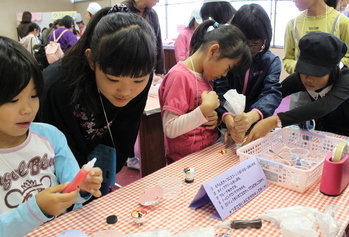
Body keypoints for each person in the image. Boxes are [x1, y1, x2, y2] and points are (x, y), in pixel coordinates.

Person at [38, 6, 157, 195]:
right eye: (113, 79)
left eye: (138, 80)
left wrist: (101, 177)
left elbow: (125, 132)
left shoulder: (141, 73)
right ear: (91, 60)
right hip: (52, 177)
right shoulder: (59, 85)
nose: (126, 91)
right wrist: (81, 186)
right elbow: (57, 152)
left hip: (94, 171)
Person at [0, 36, 103, 237]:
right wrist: (36, 210)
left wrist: (82, 186)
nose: (28, 109)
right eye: (14, 100)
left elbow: (72, 189)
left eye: (34, 95)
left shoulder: (50, 136)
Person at [159, 20, 251, 163]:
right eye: (227, 67)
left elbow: (195, 116)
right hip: (184, 162)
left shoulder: (206, 76)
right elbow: (170, 129)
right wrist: (204, 109)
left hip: (208, 152)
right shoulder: (179, 76)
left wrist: (214, 118)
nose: (225, 75)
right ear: (213, 50)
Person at [245, 32, 349, 144]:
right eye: (304, 71)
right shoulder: (301, 78)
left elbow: (323, 107)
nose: (308, 79)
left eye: (317, 73)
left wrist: (274, 121)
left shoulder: (345, 79)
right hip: (322, 134)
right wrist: (249, 116)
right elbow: (273, 95)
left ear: (332, 69)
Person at [215, 4, 282, 144]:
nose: (250, 49)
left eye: (255, 43)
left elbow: (271, 93)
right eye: (244, 43)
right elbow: (220, 87)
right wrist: (228, 118)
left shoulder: (271, 61)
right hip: (225, 123)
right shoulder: (227, 57)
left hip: (256, 123)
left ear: (265, 37)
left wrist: (252, 116)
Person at [121, 0, 165, 170]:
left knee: (139, 112)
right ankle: (127, 155)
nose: (159, 1)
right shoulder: (123, 9)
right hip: (126, 72)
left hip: (146, 72)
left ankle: (134, 156)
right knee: (125, 114)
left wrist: (159, 70)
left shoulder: (152, 14)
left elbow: (157, 40)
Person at [283, 0, 349, 110]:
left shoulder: (342, 22)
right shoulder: (293, 24)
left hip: (333, 96)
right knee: (297, 122)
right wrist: (304, 69)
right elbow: (288, 59)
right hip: (301, 94)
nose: (293, 0)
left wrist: (324, 71)